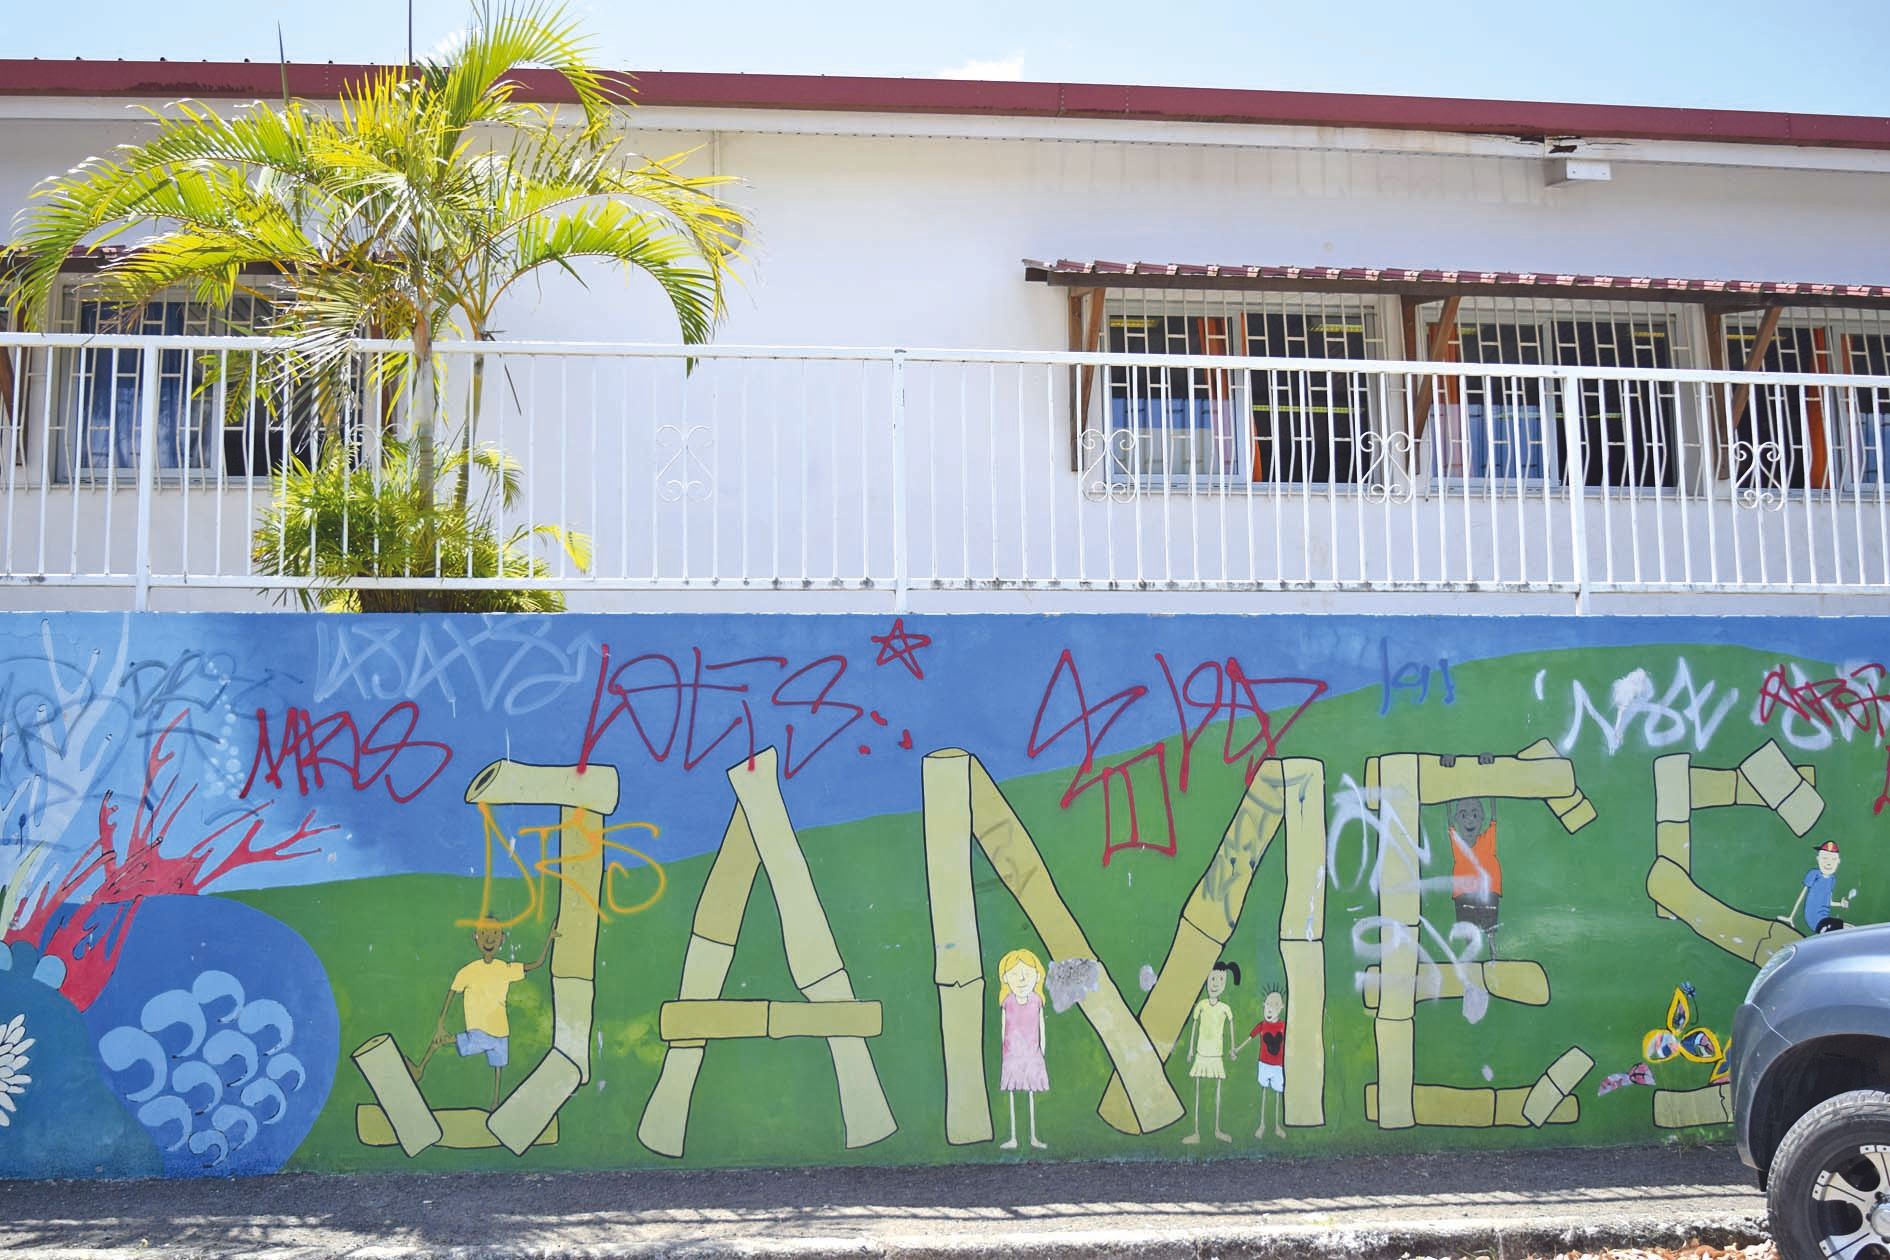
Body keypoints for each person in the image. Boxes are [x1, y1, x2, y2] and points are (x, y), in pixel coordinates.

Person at [414, 918, 558, 1108]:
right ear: (476, 936)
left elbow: (537, 963)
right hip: (479, 1028)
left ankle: (495, 1103)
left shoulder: (505, 969)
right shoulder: (467, 972)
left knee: (498, 1067)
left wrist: (549, 939)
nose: (489, 938)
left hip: (501, 1030)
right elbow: (451, 996)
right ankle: (420, 1068)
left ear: (502, 939)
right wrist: (440, 1024)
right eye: (484, 933)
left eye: (495, 934)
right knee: (452, 1041)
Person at [995, 947, 1050, 1151]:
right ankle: (1013, 1137)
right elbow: (1003, 1028)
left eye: (1026, 973)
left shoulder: (1036, 1001)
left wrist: (1041, 1050)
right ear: (1006, 978)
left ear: (1037, 976)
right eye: (1015, 974)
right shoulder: (1007, 1002)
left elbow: (1041, 1027)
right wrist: (1005, 1053)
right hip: (1012, 1055)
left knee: (1030, 1094)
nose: (1021, 978)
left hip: (1032, 1053)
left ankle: (1033, 1136)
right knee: (1012, 1093)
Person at [1183, 961, 1240, 1145]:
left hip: (1216, 1054)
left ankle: (1217, 1129)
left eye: (1220, 979)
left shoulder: (1225, 1009)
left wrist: (1233, 1048)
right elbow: (1194, 1027)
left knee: (1217, 1093)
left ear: (1225, 983)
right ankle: (1196, 1132)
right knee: (1198, 1092)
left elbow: (1231, 1027)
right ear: (1206, 979)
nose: (1215, 983)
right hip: (1201, 1053)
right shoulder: (1201, 1005)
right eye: (1213, 978)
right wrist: (1191, 1050)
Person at [1449, 795, 1501, 946]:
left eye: (1475, 815)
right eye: (1464, 815)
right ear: (1458, 819)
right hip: (1464, 892)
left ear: (1481, 819)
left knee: (1490, 929)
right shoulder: (1456, 839)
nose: (1470, 820)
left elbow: (1493, 815)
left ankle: (1493, 954)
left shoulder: (1488, 838)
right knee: (1468, 931)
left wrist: (1492, 793)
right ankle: (1473, 957)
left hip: (1487, 890)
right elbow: (1450, 820)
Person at [1236, 986, 1287, 1140]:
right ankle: (1262, 1124)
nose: (1270, 1009)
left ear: (1281, 1008)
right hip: (1264, 1063)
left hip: (1279, 1066)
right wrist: (1237, 1050)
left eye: (1274, 1005)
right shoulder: (1262, 1026)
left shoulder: (1284, 1026)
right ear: (1264, 1006)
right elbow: (1249, 1038)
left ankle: (1277, 1125)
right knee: (1264, 1092)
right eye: (1267, 1005)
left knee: (1278, 1093)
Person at [1783, 841, 1852, 934]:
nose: (1828, 863)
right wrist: (1791, 917)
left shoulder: (1832, 879)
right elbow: (1802, 896)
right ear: (1818, 859)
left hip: (1825, 919)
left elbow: (1829, 902)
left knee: (1851, 929)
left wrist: (1840, 904)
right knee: (1847, 930)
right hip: (1815, 920)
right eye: (1825, 858)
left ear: (1838, 861)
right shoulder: (1814, 874)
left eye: (1833, 859)